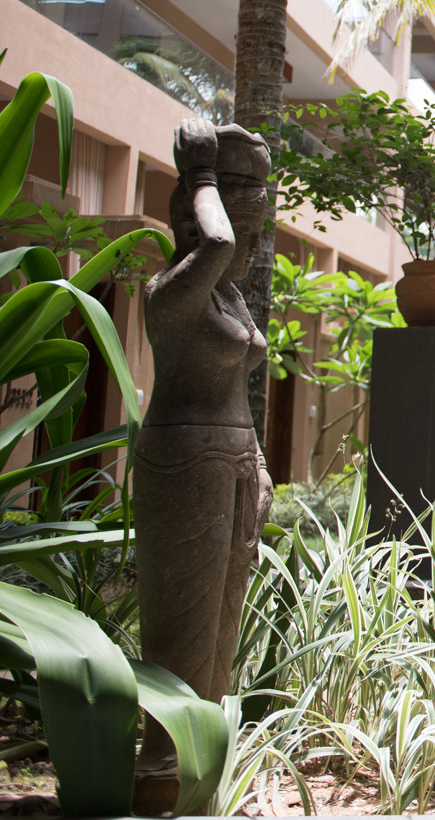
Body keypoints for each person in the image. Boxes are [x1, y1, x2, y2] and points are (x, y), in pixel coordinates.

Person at [133, 119, 273, 787]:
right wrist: (204, 175)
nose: (246, 246)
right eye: (243, 234)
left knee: (220, 631)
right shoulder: (172, 294)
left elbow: (238, 388)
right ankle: (162, 769)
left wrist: (262, 467)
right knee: (182, 629)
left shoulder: (230, 295)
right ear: (194, 223)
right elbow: (217, 240)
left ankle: (201, 769)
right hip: (183, 463)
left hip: (234, 462)